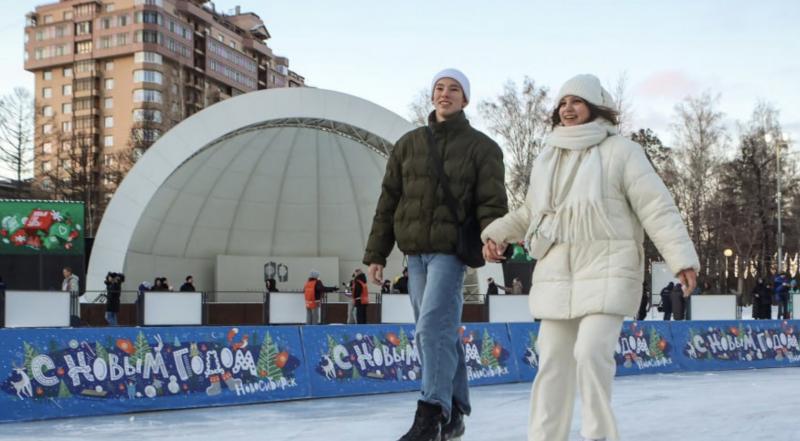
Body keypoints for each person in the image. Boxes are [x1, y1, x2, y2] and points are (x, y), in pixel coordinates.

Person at [481, 74, 698, 441]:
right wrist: (496, 233)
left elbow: (656, 207)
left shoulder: (622, 151)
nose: (568, 109)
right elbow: (531, 213)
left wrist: (681, 259)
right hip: (557, 273)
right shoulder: (547, 157)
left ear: (596, 107)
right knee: (552, 359)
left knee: (591, 351)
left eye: (577, 101)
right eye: (563, 103)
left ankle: (598, 435)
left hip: (608, 267)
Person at [363, 68, 508, 441]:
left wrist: (494, 237)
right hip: (415, 253)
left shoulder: (482, 148)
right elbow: (388, 201)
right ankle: (456, 410)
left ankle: (431, 414)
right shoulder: (408, 145)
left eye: (454, 89)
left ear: (465, 99)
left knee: (430, 330)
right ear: (432, 96)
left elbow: (491, 202)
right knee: (440, 332)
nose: (445, 94)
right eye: (440, 88)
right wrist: (377, 254)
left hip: (450, 252)